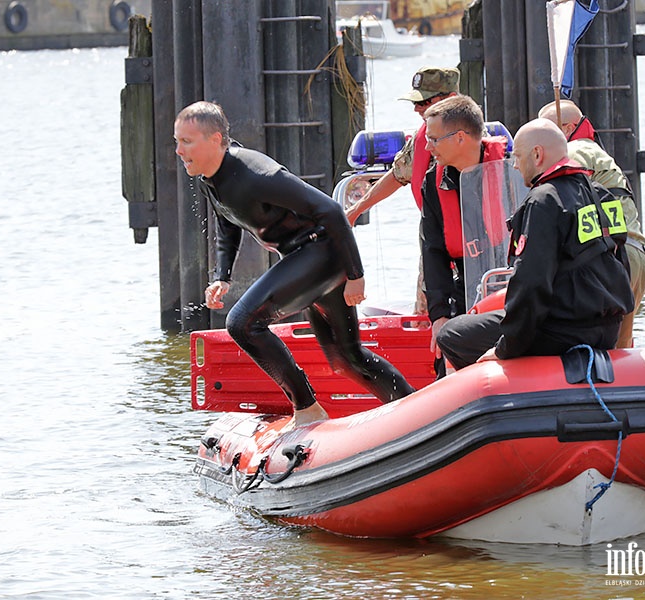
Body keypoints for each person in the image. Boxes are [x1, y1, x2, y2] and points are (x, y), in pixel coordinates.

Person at [174, 101, 415, 428]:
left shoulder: (257, 174)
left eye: (186, 141)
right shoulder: (207, 175)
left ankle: (306, 407)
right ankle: (412, 410)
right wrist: (222, 276)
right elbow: (227, 222)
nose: (178, 150)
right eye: (177, 141)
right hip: (308, 261)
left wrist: (356, 275)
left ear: (215, 139)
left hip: (322, 254)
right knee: (346, 360)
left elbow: (330, 209)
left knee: (243, 323)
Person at [435, 118, 634, 369]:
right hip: (605, 330)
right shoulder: (601, 194)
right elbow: (622, 264)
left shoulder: (544, 201)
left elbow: (531, 283)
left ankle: (509, 396)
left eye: (518, 156)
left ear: (537, 154)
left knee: (452, 334)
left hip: (562, 330)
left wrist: (506, 347)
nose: (516, 166)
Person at [344, 66, 459, 314]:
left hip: (474, 243)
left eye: (425, 101)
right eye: (416, 102)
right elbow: (398, 174)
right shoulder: (422, 140)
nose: (417, 108)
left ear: (450, 100)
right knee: (428, 312)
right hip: (435, 238)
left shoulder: (475, 137)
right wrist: (355, 210)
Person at [538, 99, 645, 348]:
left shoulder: (576, 150)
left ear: (567, 129)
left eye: (547, 130)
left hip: (613, 256)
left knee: (596, 342)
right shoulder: (597, 153)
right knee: (620, 346)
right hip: (636, 253)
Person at [418, 95, 510, 366]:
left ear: (460, 138)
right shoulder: (433, 183)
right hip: (467, 282)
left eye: (433, 139)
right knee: (444, 347)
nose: (427, 147)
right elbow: (432, 250)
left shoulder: (512, 166)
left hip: (515, 279)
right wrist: (439, 315)